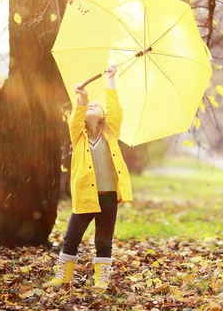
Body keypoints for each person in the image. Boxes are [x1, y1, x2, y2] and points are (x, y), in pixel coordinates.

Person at [46, 64, 132, 291]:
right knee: (71, 238)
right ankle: (62, 277)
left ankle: (101, 279)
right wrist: (83, 99)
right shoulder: (79, 136)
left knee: (104, 240)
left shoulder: (110, 132)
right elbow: (75, 119)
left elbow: (115, 109)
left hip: (108, 196)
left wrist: (111, 81)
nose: (93, 106)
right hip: (85, 196)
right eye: (90, 107)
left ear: (104, 116)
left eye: (97, 105)